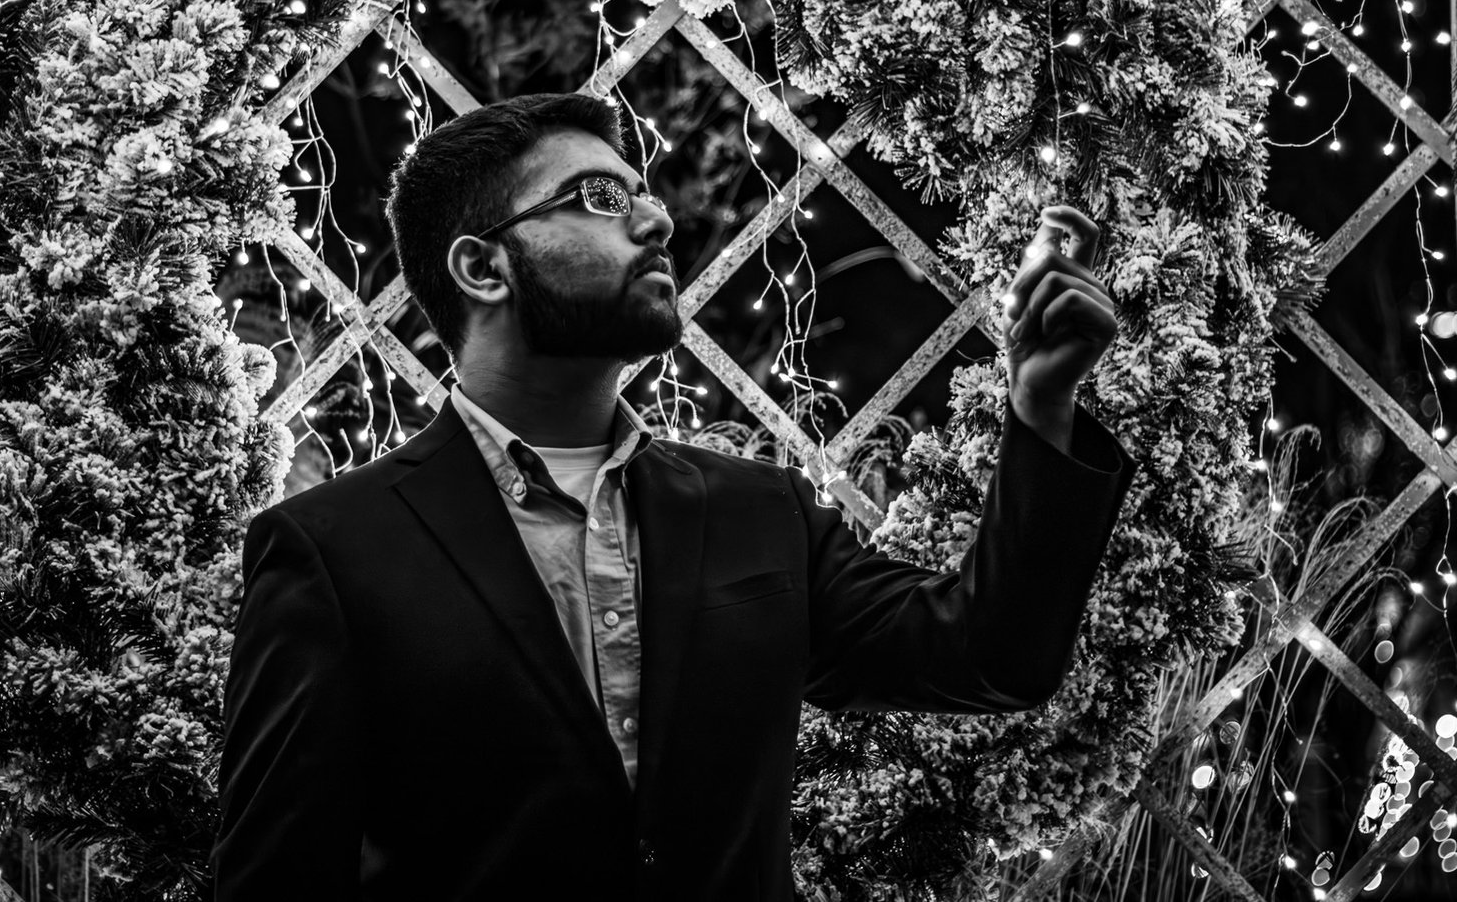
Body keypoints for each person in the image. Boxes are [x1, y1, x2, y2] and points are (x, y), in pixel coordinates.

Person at [214, 93, 1135, 901]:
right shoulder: (333, 551)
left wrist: (1040, 406)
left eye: (644, 194)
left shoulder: (759, 512)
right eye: (601, 199)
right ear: (482, 268)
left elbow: (992, 656)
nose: (655, 220)